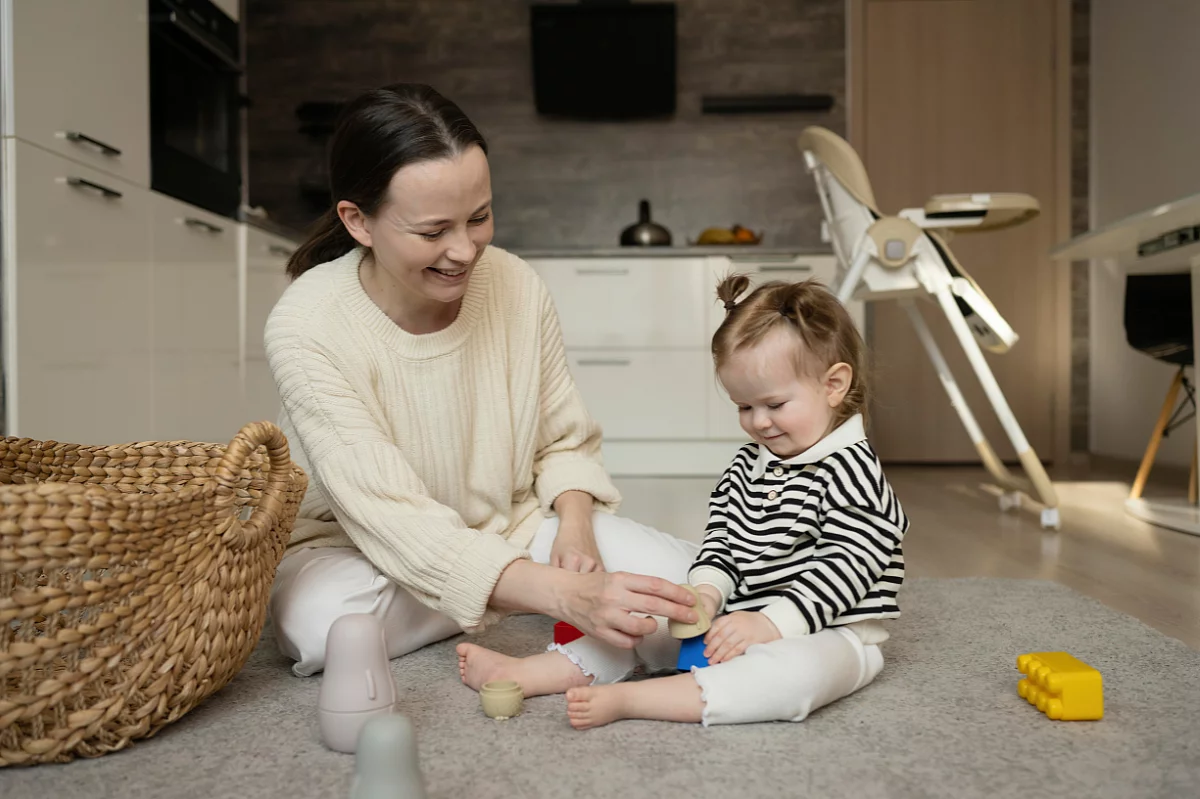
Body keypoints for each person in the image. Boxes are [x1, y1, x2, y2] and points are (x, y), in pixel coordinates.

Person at [264, 83, 701, 678]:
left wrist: (576, 528)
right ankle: (512, 592)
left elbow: (563, 440)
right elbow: (389, 516)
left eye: (480, 217)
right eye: (432, 231)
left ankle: (499, 589)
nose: (464, 250)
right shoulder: (308, 323)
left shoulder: (517, 286)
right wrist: (564, 596)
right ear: (358, 221)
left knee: (680, 588)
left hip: (515, 528)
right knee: (328, 628)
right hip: (361, 549)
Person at [457, 275, 908, 728]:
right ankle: (525, 672)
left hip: (828, 629)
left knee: (798, 675)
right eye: (744, 407)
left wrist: (773, 624)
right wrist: (707, 592)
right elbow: (722, 539)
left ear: (834, 385)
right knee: (644, 620)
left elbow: (846, 568)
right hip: (737, 615)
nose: (759, 423)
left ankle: (639, 700)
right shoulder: (749, 464)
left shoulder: (853, 471)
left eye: (774, 404)